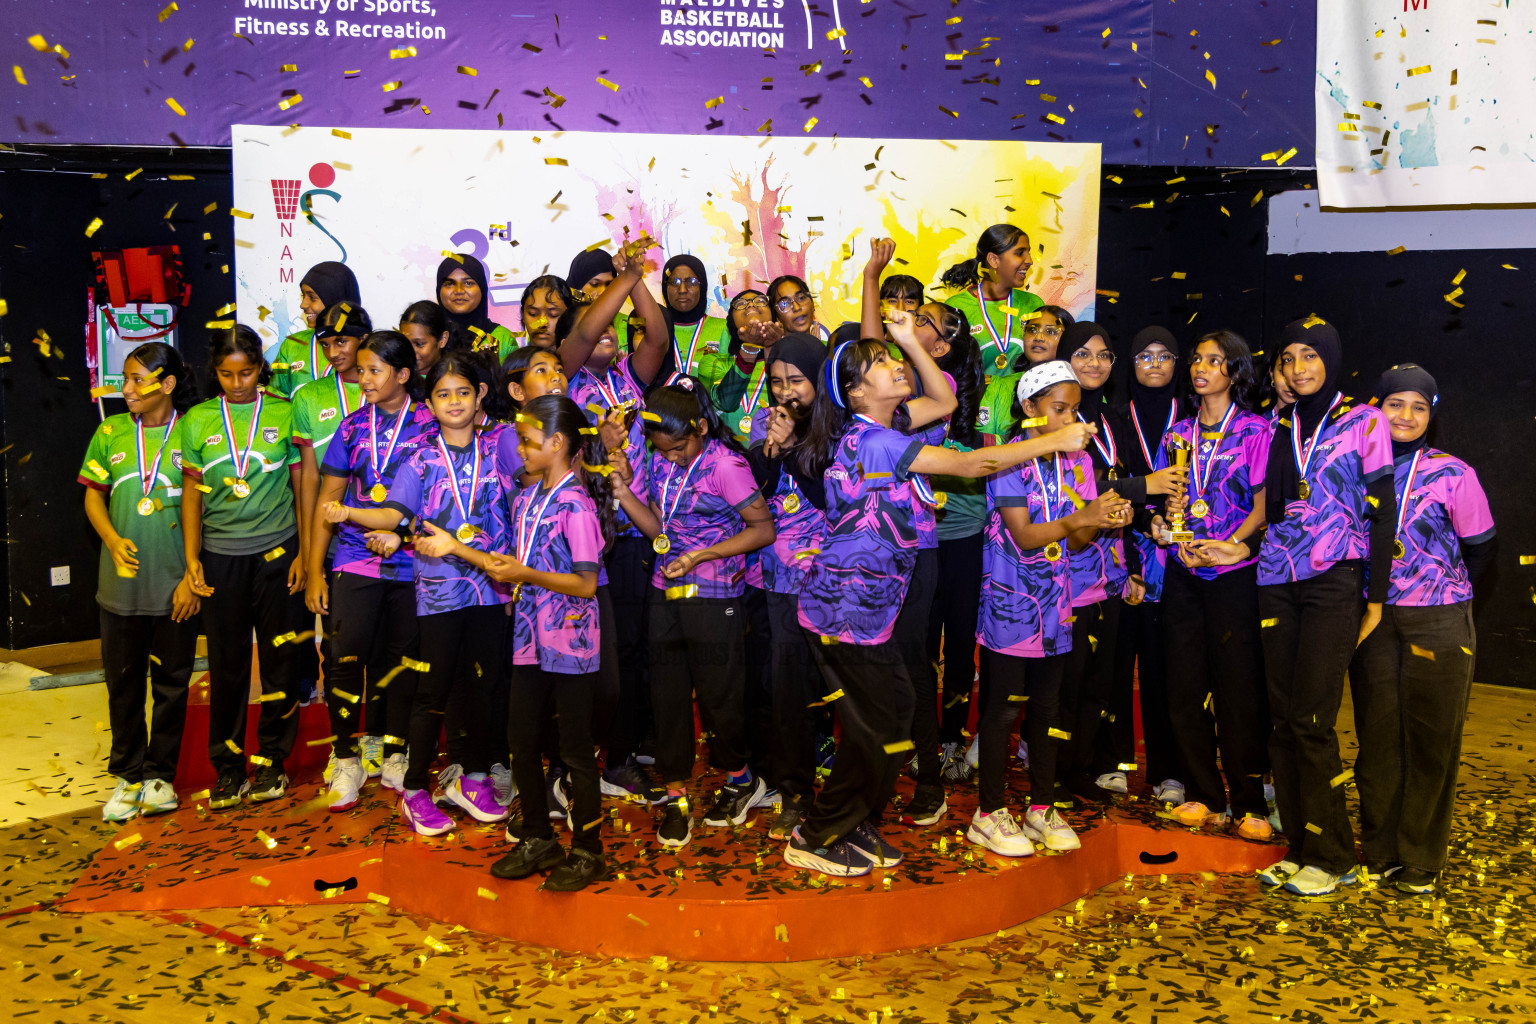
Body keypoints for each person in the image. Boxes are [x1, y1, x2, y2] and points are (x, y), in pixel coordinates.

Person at [786, 312, 1096, 877]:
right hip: (842, 611)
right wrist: (1052, 441)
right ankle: (816, 833)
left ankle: (855, 819)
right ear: (856, 392)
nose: (894, 365)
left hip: (872, 611)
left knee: (896, 714)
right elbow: (975, 463)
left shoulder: (894, 425)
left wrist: (908, 340)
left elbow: (946, 401)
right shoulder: (874, 441)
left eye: (890, 356)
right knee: (875, 727)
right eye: (880, 362)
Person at [329, 352, 521, 836]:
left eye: (463, 392)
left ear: (479, 395)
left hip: (491, 587)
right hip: (439, 592)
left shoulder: (499, 447)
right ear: (429, 404)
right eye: (443, 394)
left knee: (482, 685)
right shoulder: (419, 459)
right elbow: (393, 514)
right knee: (432, 690)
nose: (454, 402)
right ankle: (415, 789)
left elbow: (525, 496)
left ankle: (473, 778)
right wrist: (350, 513)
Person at [1253, 316, 1395, 897]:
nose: (1299, 367)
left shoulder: (1364, 421)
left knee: (1312, 721)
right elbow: (1272, 503)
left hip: (1334, 578)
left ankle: (1334, 855)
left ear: (1330, 359)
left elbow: (1382, 511)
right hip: (1275, 576)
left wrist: (1375, 598)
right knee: (1283, 721)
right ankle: (1300, 846)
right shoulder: (1278, 423)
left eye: (1310, 355)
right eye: (1288, 358)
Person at [970, 361, 1129, 857]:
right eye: (1059, 409)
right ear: (1029, 408)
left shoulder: (1076, 463)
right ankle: (988, 812)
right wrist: (1083, 517)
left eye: (1075, 410)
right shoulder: (1007, 458)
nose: (1070, 420)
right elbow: (1024, 536)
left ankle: (1040, 807)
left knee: (1047, 707)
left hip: (1058, 604)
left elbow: (1077, 542)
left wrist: (1101, 518)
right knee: (1002, 709)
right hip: (1012, 605)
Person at [608, 382, 776, 849]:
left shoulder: (727, 466)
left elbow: (763, 530)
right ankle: (677, 794)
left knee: (720, 695)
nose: (672, 457)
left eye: (679, 447)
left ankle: (741, 778)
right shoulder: (660, 461)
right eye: (663, 449)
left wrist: (703, 555)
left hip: (715, 592)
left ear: (700, 427)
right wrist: (623, 492)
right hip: (666, 588)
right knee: (667, 695)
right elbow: (658, 529)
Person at [1350, 364, 1494, 895]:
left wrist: (1436, 589)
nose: (1406, 416)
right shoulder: (1352, 469)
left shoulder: (1453, 473)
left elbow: (1482, 550)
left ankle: (1420, 856)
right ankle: (1380, 848)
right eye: (1395, 404)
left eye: (1419, 407)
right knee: (1377, 740)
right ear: (1376, 408)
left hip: (1437, 617)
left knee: (1432, 742)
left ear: (1431, 415)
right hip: (1371, 618)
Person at [487, 395, 616, 891]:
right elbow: (523, 565)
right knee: (521, 740)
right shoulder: (526, 499)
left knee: (575, 749)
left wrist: (524, 574)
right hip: (529, 637)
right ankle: (539, 837)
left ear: (557, 443)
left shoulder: (577, 505)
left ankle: (588, 850)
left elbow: (585, 584)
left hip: (571, 640)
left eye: (527, 441)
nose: (520, 449)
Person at [558, 244, 672, 804]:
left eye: (612, 325)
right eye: (597, 321)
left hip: (638, 534)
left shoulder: (629, 376)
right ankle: (585, 758)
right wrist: (622, 277)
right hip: (590, 538)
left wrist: (636, 279)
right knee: (599, 654)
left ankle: (624, 753)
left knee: (634, 648)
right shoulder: (565, 376)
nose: (606, 328)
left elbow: (658, 339)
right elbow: (585, 330)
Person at [308, 330, 439, 808]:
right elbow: (328, 501)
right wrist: (316, 569)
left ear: (403, 375)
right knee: (344, 656)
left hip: (414, 559)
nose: (363, 378)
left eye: (374, 370)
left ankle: (396, 753)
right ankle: (345, 757)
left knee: (403, 661)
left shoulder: (430, 424)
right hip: (354, 555)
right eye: (361, 370)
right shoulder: (349, 428)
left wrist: (408, 535)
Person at [180, 325, 307, 809]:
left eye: (247, 372)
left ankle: (273, 760)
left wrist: (303, 552)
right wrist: (192, 558)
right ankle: (229, 769)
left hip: (279, 552)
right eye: (227, 374)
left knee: (280, 662)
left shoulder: (283, 410)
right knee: (227, 665)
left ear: (260, 369)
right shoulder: (198, 420)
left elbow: (301, 484)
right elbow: (191, 494)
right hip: (220, 557)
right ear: (214, 373)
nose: (237, 383)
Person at [1153, 330, 1273, 839]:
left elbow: (1265, 507)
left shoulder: (1255, 431)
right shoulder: (1177, 433)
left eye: (1215, 361)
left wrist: (1232, 543)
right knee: (1184, 686)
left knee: (1237, 690)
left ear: (1236, 371)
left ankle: (1250, 803)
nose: (1201, 368)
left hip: (1234, 575)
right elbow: (1169, 500)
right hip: (1184, 570)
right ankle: (1204, 795)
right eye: (1197, 359)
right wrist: (1166, 527)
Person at [80, 343, 201, 822]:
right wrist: (111, 540)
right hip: (121, 589)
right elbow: (93, 496)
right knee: (123, 684)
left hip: (176, 587)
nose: (126, 389)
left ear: (167, 384)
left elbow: (205, 511)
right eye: (124, 379)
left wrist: (191, 577)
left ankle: (159, 777)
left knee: (172, 685)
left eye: (136, 380)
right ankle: (128, 775)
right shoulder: (110, 431)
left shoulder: (194, 431)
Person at [744, 333, 830, 839]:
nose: (785, 392)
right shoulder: (766, 426)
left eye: (796, 381)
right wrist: (770, 453)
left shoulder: (840, 431)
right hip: (777, 579)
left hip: (833, 580)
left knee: (836, 687)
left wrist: (795, 447)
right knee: (785, 686)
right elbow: (755, 494)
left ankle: (845, 789)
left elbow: (828, 497)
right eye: (776, 382)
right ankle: (791, 789)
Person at [1108, 326, 1186, 802]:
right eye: (1144, 356)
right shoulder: (1114, 420)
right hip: (1124, 554)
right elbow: (1105, 487)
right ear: (1131, 364)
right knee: (1117, 665)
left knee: (1166, 669)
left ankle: (1168, 772)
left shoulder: (1194, 420)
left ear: (1177, 364)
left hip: (1181, 562)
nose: (1154, 364)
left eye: (1164, 355)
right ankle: (1115, 763)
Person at [941, 224, 1044, 377]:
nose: (1029, 260)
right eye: (1020, 253)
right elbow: (949, 368)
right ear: (994, 260)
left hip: (1024, 392)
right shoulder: (955, 307)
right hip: (976, 393)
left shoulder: (1034, 304)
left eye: (1028, 252)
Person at [270, 261, 362, 398]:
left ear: (335, 298)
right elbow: (274, 395)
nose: (303, 304)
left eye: (312, 297)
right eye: (303, 296)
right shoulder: (291, 345)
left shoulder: (367, 347)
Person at [709, 289, 786, 442]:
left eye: (760, 301)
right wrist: (749, 348)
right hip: (729, 454)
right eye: (741, 304)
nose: (751, 305)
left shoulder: (788, 362)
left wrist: (772, 348)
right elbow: (725, 403)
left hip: (775, 451)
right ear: (731, 321)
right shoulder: (714, 361)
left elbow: (785, 405)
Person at [663, 254, 730, 384]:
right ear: (665, 288)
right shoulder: (654, 330)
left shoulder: (725, 329)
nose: (682, 290)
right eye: (674, 282)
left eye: (692, 282)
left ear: (702, 287)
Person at [437, 254, 517, 362]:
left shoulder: (503, 338)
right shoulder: (428, 336)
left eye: (468, 283)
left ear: (482, 289)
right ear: (439, 291)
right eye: (450, 284)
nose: (459, 291)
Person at [399, 300, 452, 380]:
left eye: (419, 344)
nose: (410, 351)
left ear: (442, 339)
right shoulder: (396, 377)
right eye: (406, 343)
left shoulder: (454, 378)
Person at [520, 275, 575, 352]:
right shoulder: (515, 359)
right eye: (533, 314)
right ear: (523, 314)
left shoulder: (581, 358)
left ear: (569, 316)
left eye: (553, 314)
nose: (542, 323)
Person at [768, 274, 830, 342]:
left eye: (801, 298)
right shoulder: (773, 348)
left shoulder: (830, 347)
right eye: (785, 304)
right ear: (777, 317)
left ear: (812, 304)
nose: (796, 308)